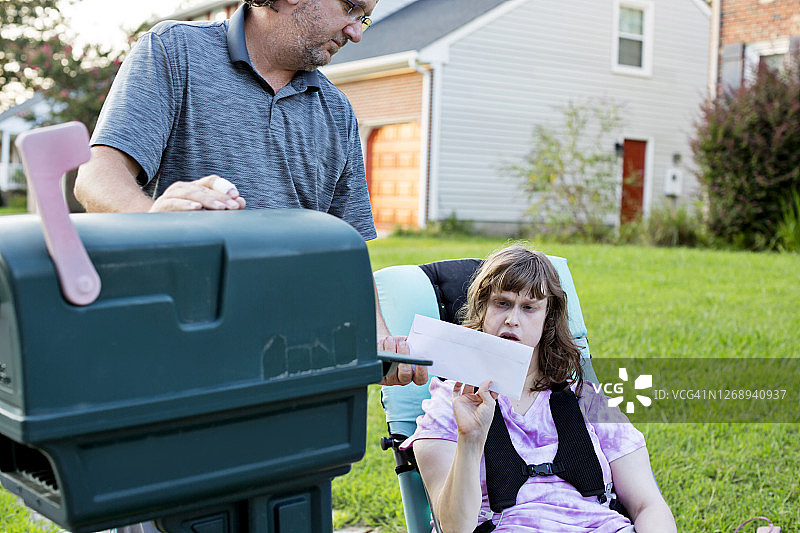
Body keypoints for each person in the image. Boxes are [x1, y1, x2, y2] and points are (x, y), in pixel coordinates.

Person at [73, 0, 426, 388]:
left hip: (289, 359)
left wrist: (376, 336)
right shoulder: (173, 50)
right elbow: (96, 177)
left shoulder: (336, 112)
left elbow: (349, 250)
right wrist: (152, 222)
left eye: (364, 18)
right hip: (178, 346)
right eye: (350, 7)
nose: (356, 32)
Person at [396, 246, 675, 532]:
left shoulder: (587, 399)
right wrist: (470, 439)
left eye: (529, 307)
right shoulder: (449, 404)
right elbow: (454, 528)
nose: (512, 319)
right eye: (502, 303)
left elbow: (648, 505)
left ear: (548, 319)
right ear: (483, 309)